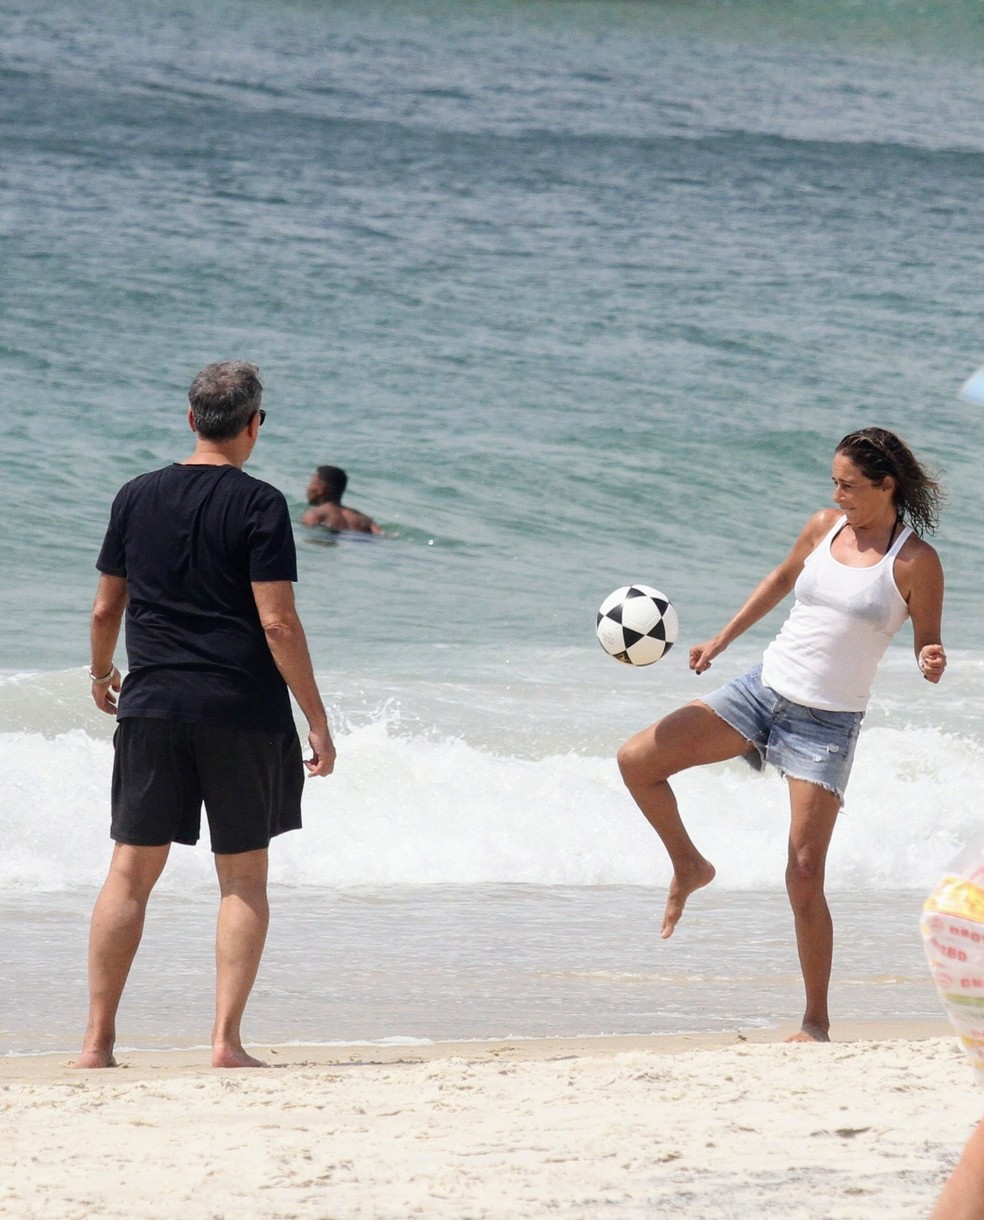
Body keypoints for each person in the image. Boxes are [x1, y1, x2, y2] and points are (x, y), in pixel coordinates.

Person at [617, 427, 946, 1043]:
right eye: (834, 483)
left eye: (849, 484)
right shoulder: (823, 526)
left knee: (802, 871)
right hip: (760, 691)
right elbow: (779, 580)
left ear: (886, 485)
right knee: (636, 759)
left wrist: (931, 657)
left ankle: (815, 1022)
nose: (837, 493)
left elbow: (928, 640)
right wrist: (720, 640)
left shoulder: (914, 562)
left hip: (826, 724)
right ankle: (689, 865)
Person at [76, 360, 336, 1070]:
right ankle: (225, 1042)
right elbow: (277, 623)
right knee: (243, 879)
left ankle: (97, 1043)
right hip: (241, 709)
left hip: (153, 705)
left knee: (129, 873)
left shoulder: (134, 496)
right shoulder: (259, 505)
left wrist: (102, 673)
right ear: (254, 425)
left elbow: (106, 607)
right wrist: (315, 716)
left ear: (191, 419)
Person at [301, 464, 382, 534]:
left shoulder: (315, 514)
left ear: (321, 489)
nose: (308, 488)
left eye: (312, 482)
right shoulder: (365, 520)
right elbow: (381, 536)